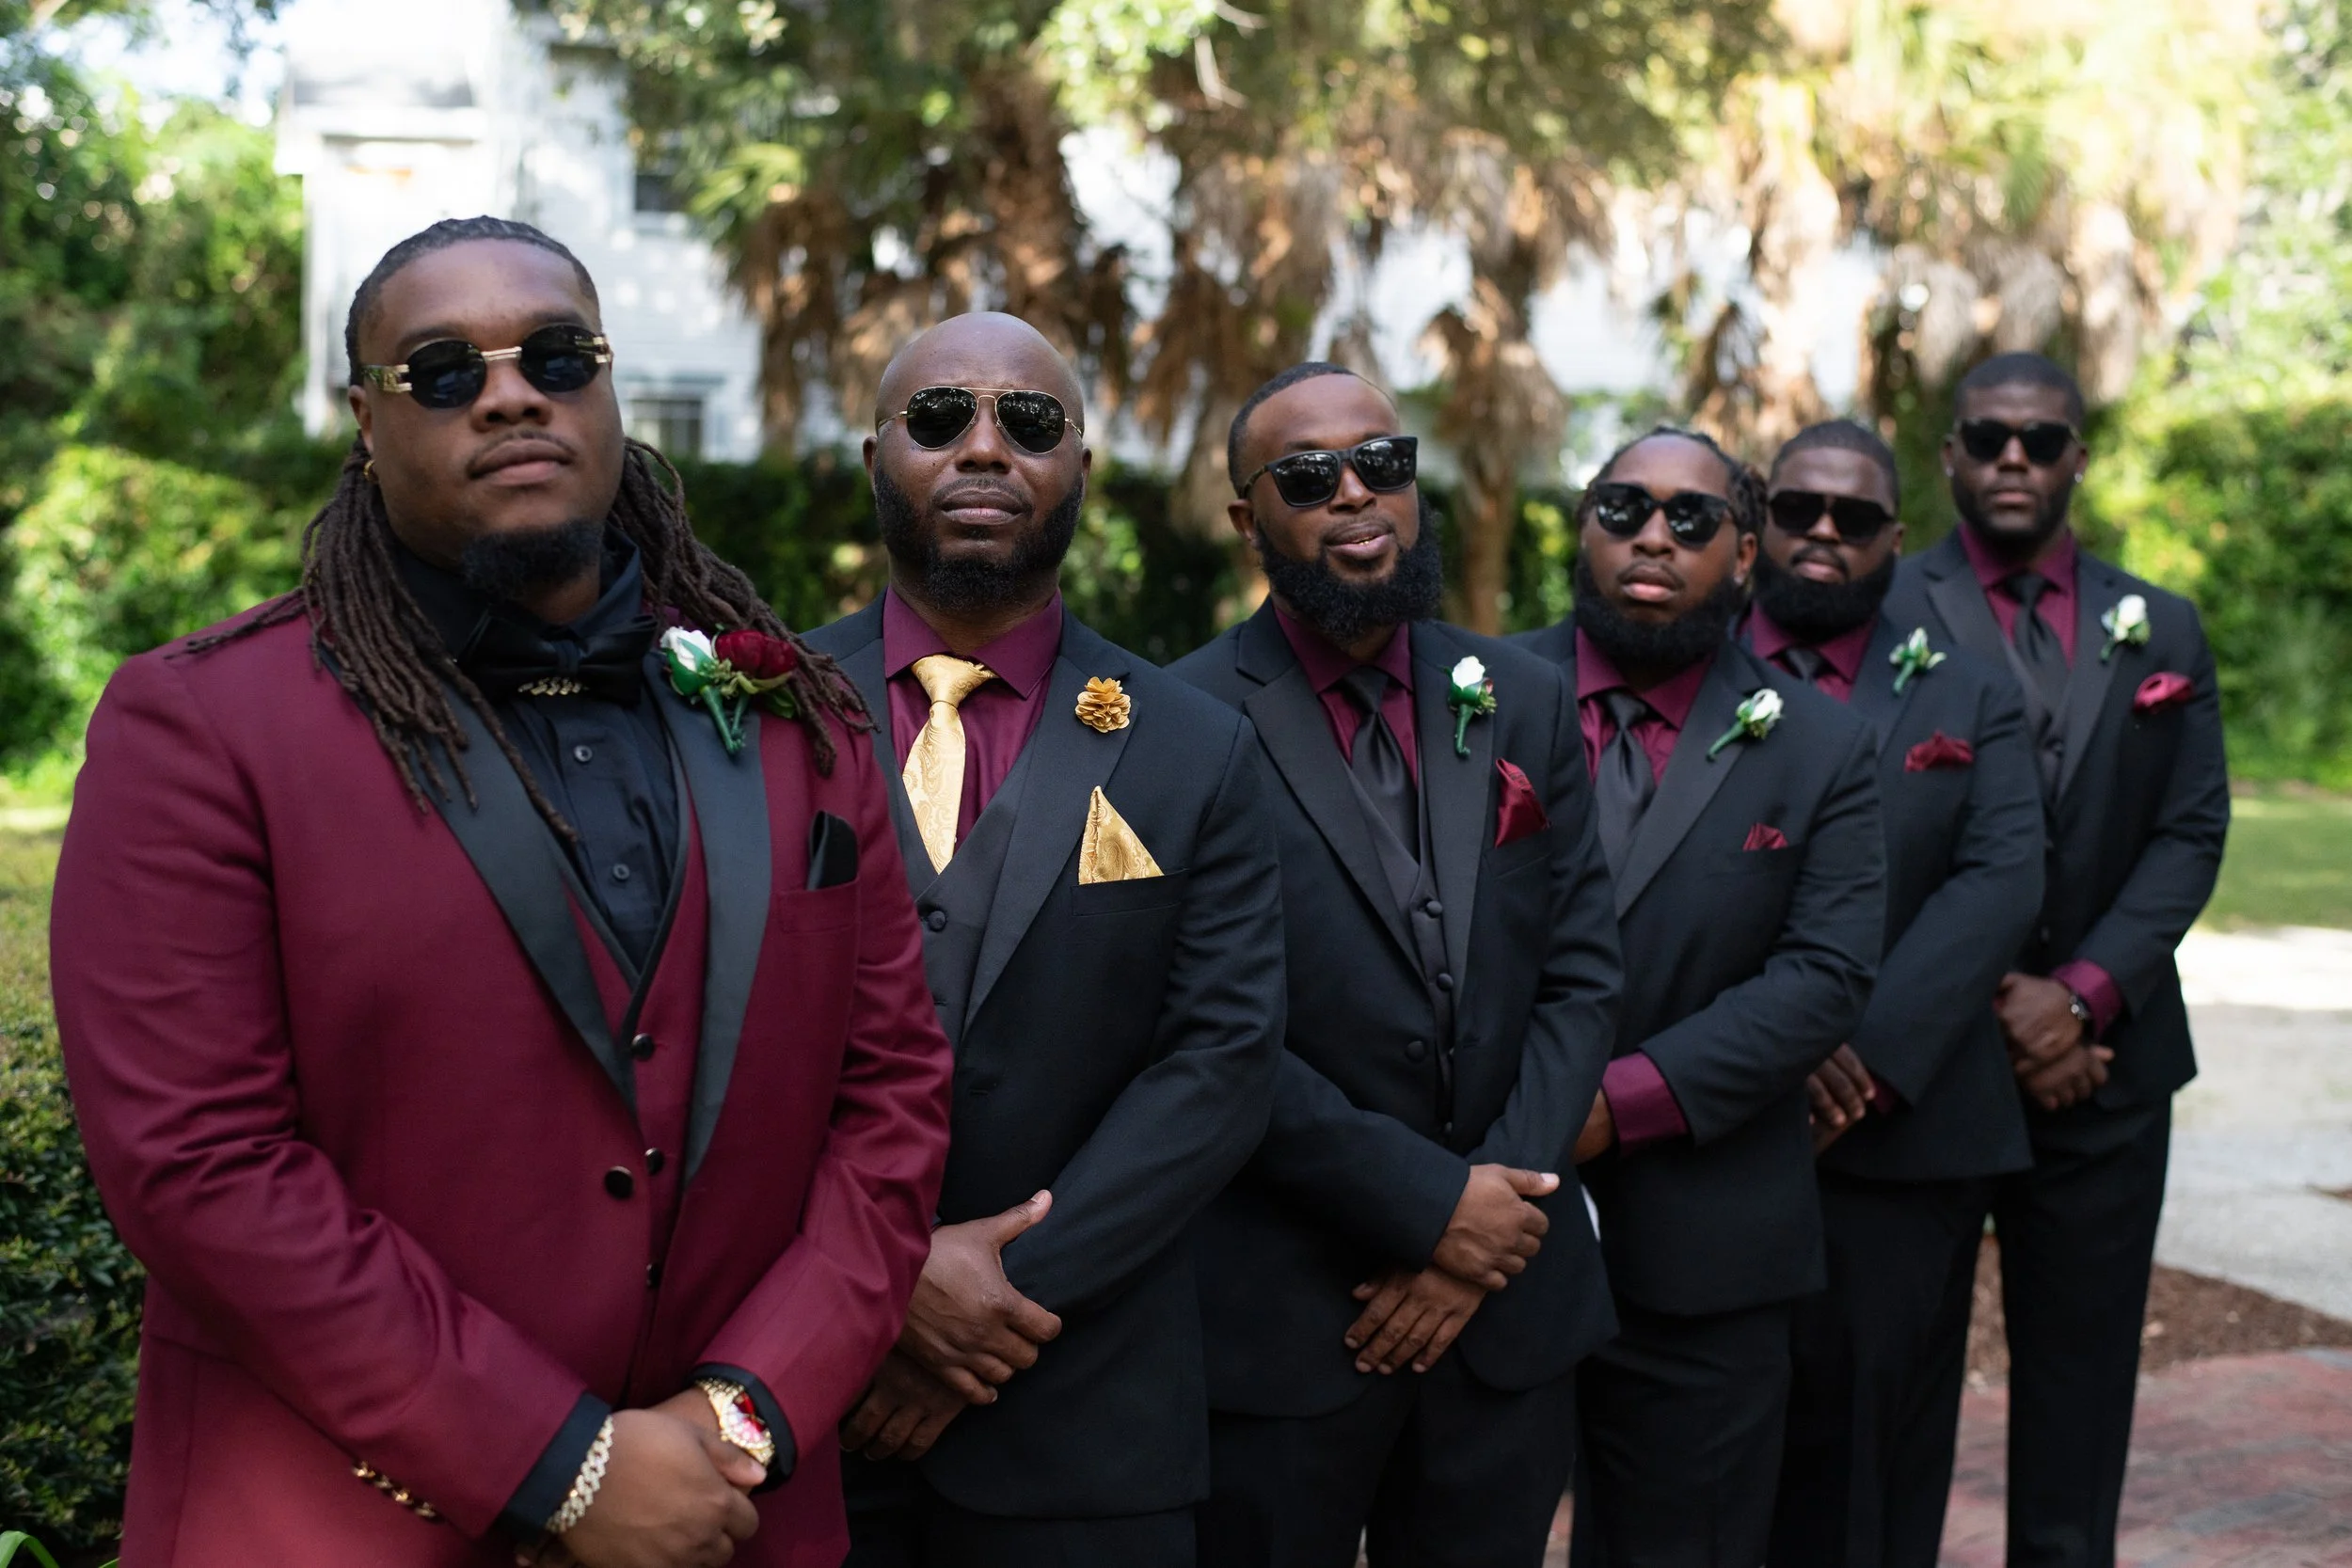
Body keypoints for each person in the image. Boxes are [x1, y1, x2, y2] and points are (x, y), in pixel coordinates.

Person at [50, 216, 953, 1568]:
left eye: (555, 354)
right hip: (339, 1521)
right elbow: (200, 1163)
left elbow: (890, 1102)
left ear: (606, 385)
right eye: (443, 371)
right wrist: (562, 1465)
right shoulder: (201, 727)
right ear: (367, 421)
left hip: (729, 1517)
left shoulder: (795, 717)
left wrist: (739, 1415)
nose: (512, 393)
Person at [803, 313, 1284, 1568]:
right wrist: (880, 1282)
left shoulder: (1195, 746)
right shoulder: (760, 711)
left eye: (1027, 422)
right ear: (873, 457)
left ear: (1080, 466)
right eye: (937, 418)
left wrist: (996, 1292)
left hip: (1084, 1410)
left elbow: (1221, 1060)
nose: (982, 448)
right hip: (800, 1398)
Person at [1169, 363, 1623, 1568]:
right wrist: (1428, 1211)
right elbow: (1209, 1025)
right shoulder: (1181, 721)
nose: (1355, 493)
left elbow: (1581, 974)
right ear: (1247, 518)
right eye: (1307, 477)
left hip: (1509, 1306)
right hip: (1292, 1313)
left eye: (1382, 461)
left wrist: (1491, 1220)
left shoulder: (1523, 696)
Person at [1516, 426, 1886, 1568]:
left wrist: (1612, 1106)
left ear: (1743, 552)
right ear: (1583, 525)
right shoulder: (1469, 696)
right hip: (1481, 1216)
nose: (1653, 537)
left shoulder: (1822, 743)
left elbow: (1823, 975)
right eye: (1623, 507)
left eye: (1691, 518)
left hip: (1710, 1244)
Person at [1883, 353, 2230, 1568]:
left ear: (2079, 454)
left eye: (2039, 438)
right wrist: (1994, 1001)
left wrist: (2082, 997)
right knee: (1896, 1383)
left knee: (2081, 1389)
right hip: (1930, 1066)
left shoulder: (2162, 624)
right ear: (1951, 455)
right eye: (1988, 437)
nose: (2014, 458)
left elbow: (2190, 829)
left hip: (2108, 1069)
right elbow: (1864, 835)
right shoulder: (1885, 610)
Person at [1740, 420, 2045, 1568]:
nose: (1824, 531)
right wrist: (1760, 1047)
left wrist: (1851, 1057)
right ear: (1757, 518)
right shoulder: (1687, 668)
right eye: (1798, 508)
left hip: (1897, 1135)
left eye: (1855, 516)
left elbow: (2000, 877)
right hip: (1705, 1124)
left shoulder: (1970, 690)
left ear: (1894, 539)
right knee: (1688, 1443)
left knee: (1872, 1460)